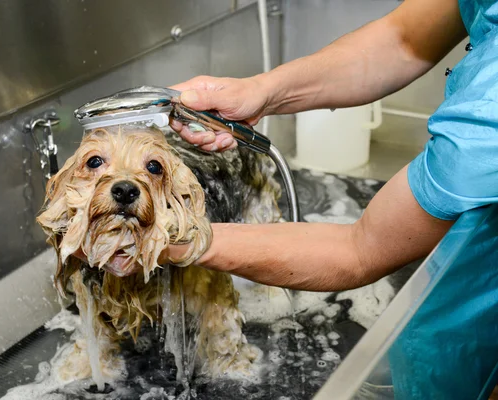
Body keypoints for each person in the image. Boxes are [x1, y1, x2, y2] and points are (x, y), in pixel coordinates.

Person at [160, 0, 498, 398]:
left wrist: (170, 240)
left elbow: (359, 249)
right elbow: (403, 38)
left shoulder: (484, 128)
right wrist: (259, 92)